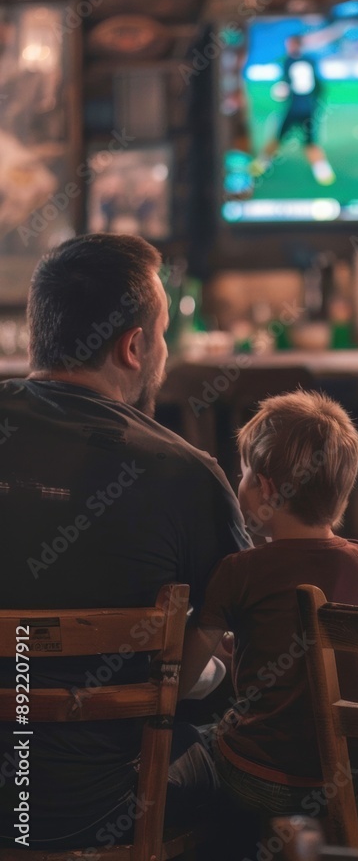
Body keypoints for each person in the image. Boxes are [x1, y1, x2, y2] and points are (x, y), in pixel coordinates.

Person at [0, 233, 251, 849]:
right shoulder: (186, 474)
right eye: (163, 333)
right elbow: (257, 636)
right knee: (257, 760)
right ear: (134, 347)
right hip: (100, 807)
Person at [179, 390, 358, 820]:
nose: (240, 483)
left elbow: (180, 680)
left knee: (181, 746)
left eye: (245, 473)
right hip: (347, 775)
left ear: (266, 489)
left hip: (258, 776)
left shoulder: (239, 570)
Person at [252, 35, 336, 186]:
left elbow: (286, 85)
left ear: (293, 45)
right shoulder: (310, 60)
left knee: (279, 137)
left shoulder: (288, 62)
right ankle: (323, 172)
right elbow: (320, 87)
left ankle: (261, 164)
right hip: (309, 107)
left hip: (294, 107)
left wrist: (283, 91)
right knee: (310, 142)